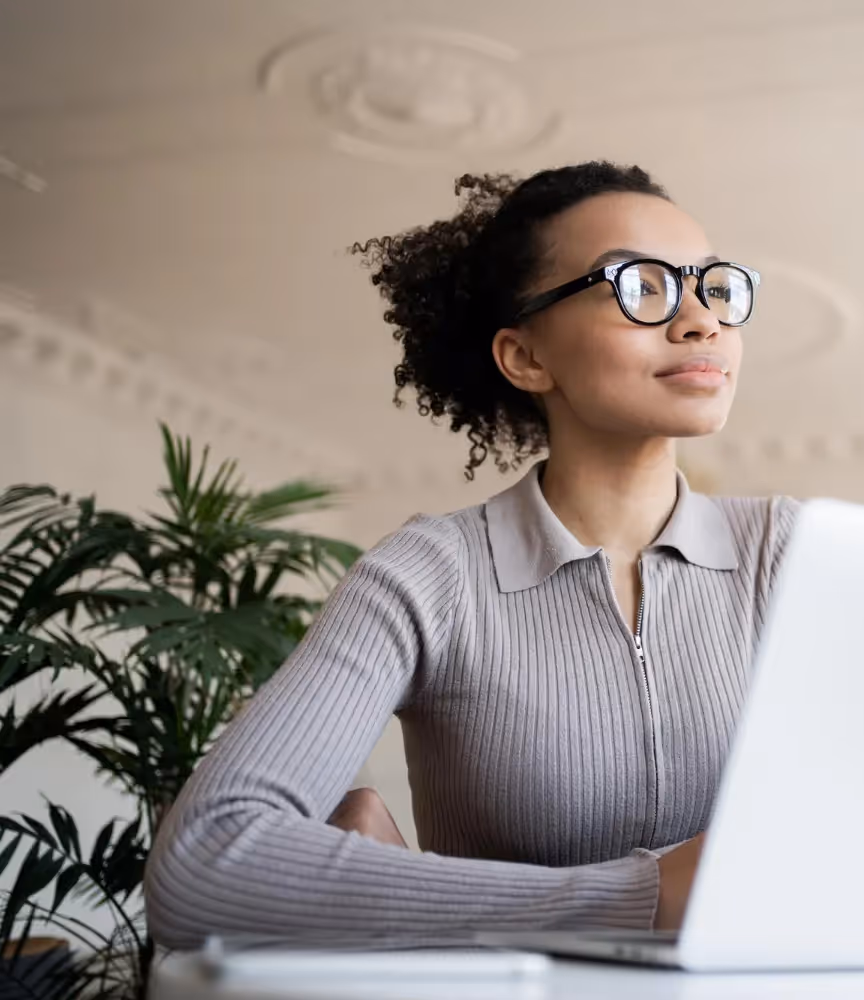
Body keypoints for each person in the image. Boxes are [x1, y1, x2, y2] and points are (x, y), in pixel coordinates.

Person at [144, 162, 799, 950]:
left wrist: (408, 892)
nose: (702, 321)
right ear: (525, 356)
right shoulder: (428, 575)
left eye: (712, 287)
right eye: (641, 285)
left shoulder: (792, 554)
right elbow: (202, 865)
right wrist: (644, 898)